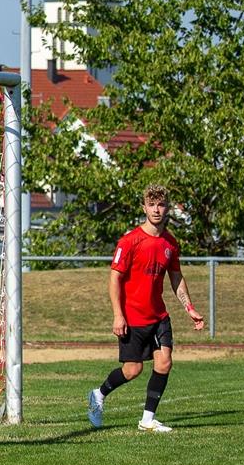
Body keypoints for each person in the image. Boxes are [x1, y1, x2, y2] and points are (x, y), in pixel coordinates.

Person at [87, 184, 205, 433]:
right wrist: (118, 315)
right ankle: (98, 394)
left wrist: (189, 308)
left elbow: (176, 277)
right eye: (151, 205)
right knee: (133, 370)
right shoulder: (130, 241)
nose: (156, 209)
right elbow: (114, 278)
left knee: (164, 363)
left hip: (159, 316)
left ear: (167, 208)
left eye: (161, 204)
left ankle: (148, 419)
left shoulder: (170, 243)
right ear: (144, 208)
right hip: (133, 317)